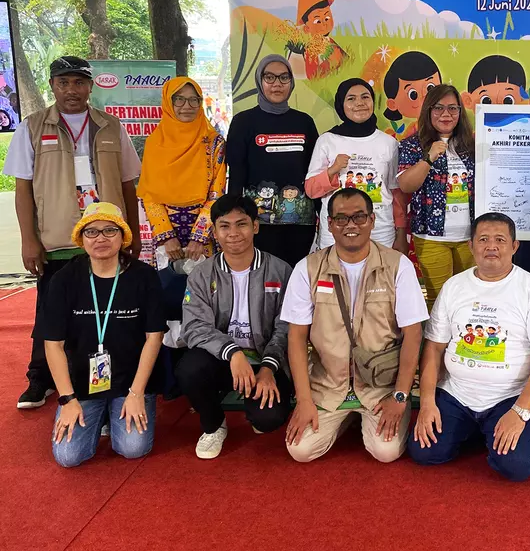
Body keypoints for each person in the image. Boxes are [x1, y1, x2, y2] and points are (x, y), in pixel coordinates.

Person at [4, 56, 142, 409]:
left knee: (104, 310)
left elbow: (128, 184)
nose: (71, 90)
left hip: (107, 236)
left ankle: (100, 377)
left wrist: (134, 233)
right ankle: (40, 379)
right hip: (58, 238)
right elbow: (23, 189)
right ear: (52, 85)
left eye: (79, 82)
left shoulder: (111, 126)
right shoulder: (33, 127)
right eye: (63, 82)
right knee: (50, 310)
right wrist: (29, 240)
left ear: (90, 86)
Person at [409, 213, 530, 482]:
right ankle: (478, 430)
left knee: (516, 466)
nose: (491, 246)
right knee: (424, 451)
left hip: (509, 398)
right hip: (457, 395)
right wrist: (427, 403)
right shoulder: (454, 286)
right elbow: (433, 348)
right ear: (471, 246)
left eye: (500, 240)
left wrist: (520, 411)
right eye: (483, 240)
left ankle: (494, 429)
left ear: (514, 246)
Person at [282, 188, 428, 463]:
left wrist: (399, 396)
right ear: (329, 224)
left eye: (359, 217)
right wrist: (304, 400)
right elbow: (296, 338)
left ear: (372, 220)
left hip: (381, 386)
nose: (351, 225)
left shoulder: (398, 266)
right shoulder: (307, 268)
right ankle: (345, 418)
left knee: (385, 452)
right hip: (327, 385)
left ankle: (360, 417)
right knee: (300, 450)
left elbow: (413, 334)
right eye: (341, 219)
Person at [37, 202, 165, 467]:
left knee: (133, 447)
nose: (100, 238)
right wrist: (67, 399)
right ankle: (101, 413)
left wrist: (136, 393)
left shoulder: (144, 277)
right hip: (82, 384)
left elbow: (154, 337)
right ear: (81, 238)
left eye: (109, 230)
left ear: (122, 236)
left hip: (130, 381)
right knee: (68, 456)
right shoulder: (64, 280)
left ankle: (115, 409)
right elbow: (53, 345)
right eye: (91, 232)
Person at [175, 195, 293, 459]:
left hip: (265, 361)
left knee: (268, 418)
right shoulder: (202, 274)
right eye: (224, 226)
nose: (233, 233)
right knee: (189, 370)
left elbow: (287, 326)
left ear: (255, 226)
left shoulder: (280, 270)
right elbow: (194, 326)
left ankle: (257, 410)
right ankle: (214, 424)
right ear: (214, 232)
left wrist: (269, 367)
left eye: (241, 224)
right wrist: (232, 352)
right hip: (223, 361)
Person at [226, 54, 320, 266]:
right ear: (260, 81)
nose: (277, 84)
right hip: (259, 223)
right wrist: (235, 217)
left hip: (300, 223)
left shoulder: (304, 122)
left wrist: (322, 214)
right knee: (263, 277)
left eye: (284, 77)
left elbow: (314, 172)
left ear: (291, 82)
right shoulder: (243, 122)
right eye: (269, 77)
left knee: (296, 277)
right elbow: (237, 173)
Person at [397, 85, 476, 308]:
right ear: (428, 111)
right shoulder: (413, 145)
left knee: (469, 299)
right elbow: (405, 185)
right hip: (432, 237)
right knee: (439, 302)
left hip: (470, 237)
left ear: (460, 112)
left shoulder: (471, 145)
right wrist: (429, 157)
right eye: (438, 108)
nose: (446, 114)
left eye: (453, 108)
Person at [305, 78, 404, 251]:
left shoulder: (389, 143)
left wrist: (401, 233)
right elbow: (311, 190)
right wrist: (333, 170)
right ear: (341, 105)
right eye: (351, 98)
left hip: (380, 232)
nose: (359, 103)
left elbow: (396, 193)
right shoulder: (327, 141)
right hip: (337, 232)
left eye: (365, 97)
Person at [139, 77, 226, 265]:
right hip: (166, 240)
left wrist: (199, 237)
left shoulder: (214, 143)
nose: (187, 106)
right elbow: (150, 195)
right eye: (179, 99)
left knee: (207, 282)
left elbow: (217, 193)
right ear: (168, 103)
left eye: (194, 99)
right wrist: (166, 236)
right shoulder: (155, 143)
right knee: (168, 282)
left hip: (205, 235)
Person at [382, 51, 441, 138]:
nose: (425, 96)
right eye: (413, 94)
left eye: (430, 88)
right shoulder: (412, 131)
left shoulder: (446, 125)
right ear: (392, 104)